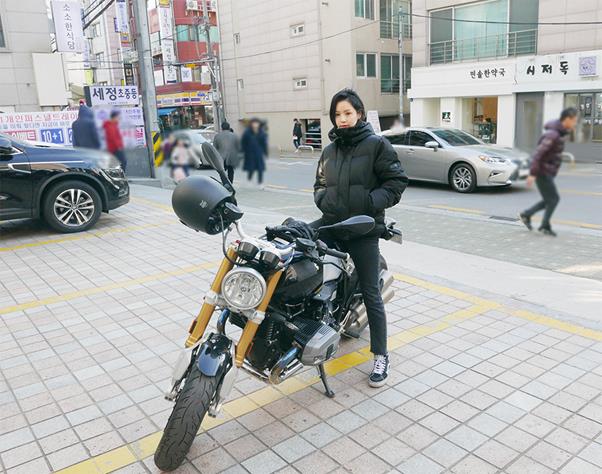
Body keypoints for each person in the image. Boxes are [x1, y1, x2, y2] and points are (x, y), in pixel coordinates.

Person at [314, 89, 408, 387]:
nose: (342, 119)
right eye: (337, 114)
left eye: (348, 113)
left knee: (371, 293)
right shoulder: (329, 151)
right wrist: (323, 200)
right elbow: (318, 184)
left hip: (363, 230)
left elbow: (396, 183)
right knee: (309, 272)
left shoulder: (377, 145)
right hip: (332, 226)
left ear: (360, 114)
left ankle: (381, 355)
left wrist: (369, 203)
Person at [519, 107, 578, 237]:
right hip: (542, 172)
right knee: (553, 199)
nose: (575, 123)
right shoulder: (553, 134)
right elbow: (538, 154)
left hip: (547, 171)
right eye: (574, 120)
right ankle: (544, 225)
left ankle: (527, 214)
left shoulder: (559, 133)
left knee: (550, 199)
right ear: (567, 119)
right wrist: (532, 174)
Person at [242, 118, 268, 186]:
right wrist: (244, 151)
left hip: (259, 152)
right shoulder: (247, 132)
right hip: (250, 153)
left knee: (260, 169)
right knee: (251, 168)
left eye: (257, 123)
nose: (255, 125)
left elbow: (264, 143)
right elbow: (243, 142)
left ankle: (260, 183)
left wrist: (265, 152)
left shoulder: (261, 132)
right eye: (254, 123)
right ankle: (249, 179)